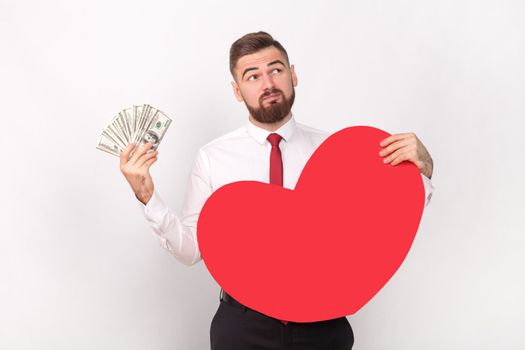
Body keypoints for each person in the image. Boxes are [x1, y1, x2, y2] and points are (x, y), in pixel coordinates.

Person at [119, 31, 434, 350]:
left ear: (293, 74)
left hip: (323, 325)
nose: (267, 83)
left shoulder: (335, 151)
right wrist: (148, 198)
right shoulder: (212, 158)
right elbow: (191, 251)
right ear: (237, 91)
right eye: (252, 76)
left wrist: (421, 171)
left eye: (276, 69)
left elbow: (386, 221)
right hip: (243, 327)